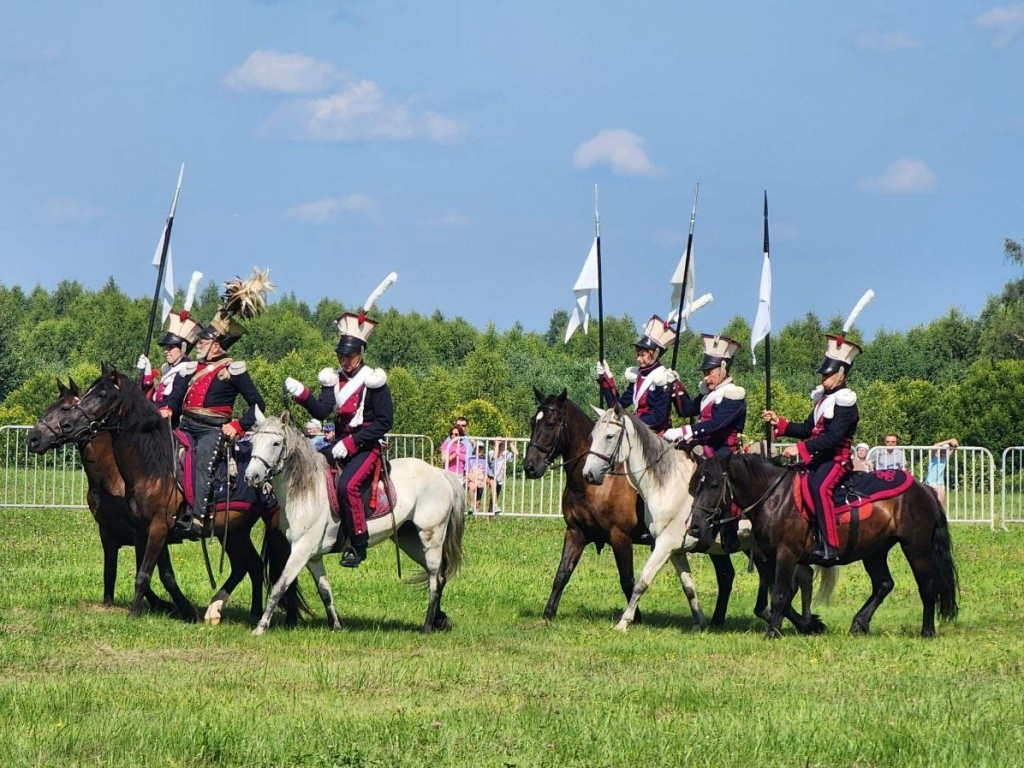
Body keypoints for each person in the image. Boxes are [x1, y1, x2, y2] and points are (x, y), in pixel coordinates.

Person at [284, 273, 396, 568]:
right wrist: (302, 393)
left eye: (350, 356)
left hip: (366, 446)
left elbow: (384, 422)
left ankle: (358, 544)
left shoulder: (373, 382)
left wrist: (351, 441)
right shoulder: (333, 379)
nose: (344, 361)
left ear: (360, 354)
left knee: (347, 486)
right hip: (338, 443)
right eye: (341, 355)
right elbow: (322, 411)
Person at [164, 303, 268, 539]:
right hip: (186, 425)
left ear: (216, 345)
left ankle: (198, 519)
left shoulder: (233, 369)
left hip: (212, 429)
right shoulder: (190, 368)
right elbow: (175, 397)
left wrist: (238, 425)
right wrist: (168, 409)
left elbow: (257, 404)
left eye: (203, 342)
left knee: (202, 461)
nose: (198, 345)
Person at [762, 333, 862, 564]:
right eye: (823, 373)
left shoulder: (846, 401)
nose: (823, 377)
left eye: (828, 374)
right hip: (818, 457)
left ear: (841, 374)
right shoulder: (823, 400)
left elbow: (834, 438)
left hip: (836, 459)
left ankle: (829, 545)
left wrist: (800, 449)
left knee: (820, 488)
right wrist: (782, 424)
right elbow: (809, 428)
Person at [664, 333, 746, 551]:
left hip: (723, 453)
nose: (706, 377)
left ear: (723, 369)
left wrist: (686, 430)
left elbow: (717, 424)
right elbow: (687, 410)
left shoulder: (733, 395)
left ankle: (727, 532)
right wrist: (676, 387)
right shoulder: (710, 393)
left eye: (709, 372)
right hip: (705, 450)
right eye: (704, 372)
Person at [595, 315, 677, 435]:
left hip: (656, 434)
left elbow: (659, 416)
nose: (638, 359)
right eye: (638, 354)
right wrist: (606, 377)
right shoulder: (638, 376)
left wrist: (630, 421)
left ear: (655, 353)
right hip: (636, 428)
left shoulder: (663, 378)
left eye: (642, 355)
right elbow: (616, 405)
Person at [138, 302, 203, 424]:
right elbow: (152, 398)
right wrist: (147, 375)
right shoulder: (167, 370)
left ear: (183, 349)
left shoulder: (187, 370)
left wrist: (164, 410)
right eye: (166, 348)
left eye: (171, 347)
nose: (166, 351)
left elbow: (176, 398)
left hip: (170, 421)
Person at [487, 439, 518, 516]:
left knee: (494, 498)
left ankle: (489, 517)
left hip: (499, 480)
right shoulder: (491, 452)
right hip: (490, 478)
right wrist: (497, 444)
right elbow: (494, 457)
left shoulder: (505, 453)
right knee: (493, 487)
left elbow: (516, 454)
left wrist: (510, 443)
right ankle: (494, 507)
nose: (501, 445)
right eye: (499, 444)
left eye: (502, 444)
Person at [926, 438, 959, 505]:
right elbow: (934, 446)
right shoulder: (933, 456)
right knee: (932, 503)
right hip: (931, 482)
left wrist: (954, 442)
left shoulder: (946, 457)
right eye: (942, 451)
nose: (943, 453)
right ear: (939, 450)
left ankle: (940, 515)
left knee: (941, 504)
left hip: (940, 482)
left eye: (945, 451)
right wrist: (949, 441)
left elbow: (955, 447)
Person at [465, 445, 488, 515]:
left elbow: (486, 473)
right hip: (472, 480)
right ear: (475, 450)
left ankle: (476, 520)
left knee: (478, 502)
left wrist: (484, 482)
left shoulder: (484, 461)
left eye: (481, 449)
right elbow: (467, 473)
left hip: (481, 482)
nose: (479, 451)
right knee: (473, 487)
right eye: (478, 449)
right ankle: (472, 504)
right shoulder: (470, 460)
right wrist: (475, 481)